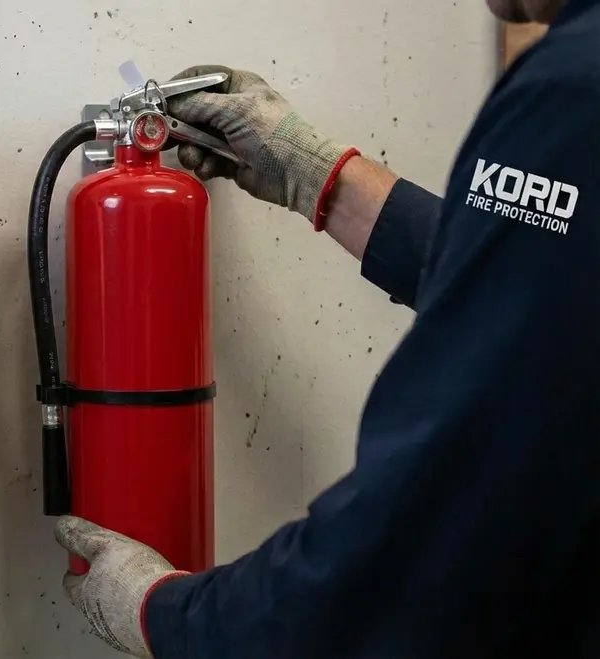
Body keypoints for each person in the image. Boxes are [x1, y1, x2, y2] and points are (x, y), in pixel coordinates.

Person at [56, 0, 600, 657]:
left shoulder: (571, 90)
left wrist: (164, 611)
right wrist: (317, 174)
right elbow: (539, 284)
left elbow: (419, 522)